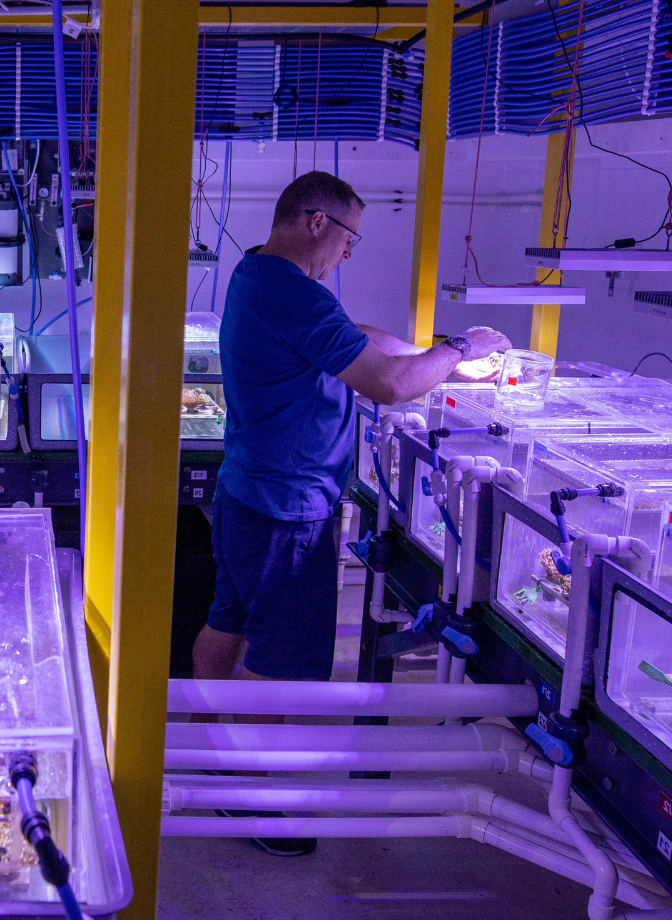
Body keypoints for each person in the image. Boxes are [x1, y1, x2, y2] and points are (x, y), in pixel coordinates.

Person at [193, 171, 513, 857]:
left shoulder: (260, 275)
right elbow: (391, 386)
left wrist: (433, 357)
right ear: (317, 222)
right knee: (283, 664)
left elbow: (357, 339)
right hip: (289, 512)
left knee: (228, 622)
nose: (348, 253)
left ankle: (208, 749)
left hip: (247, 493)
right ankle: (254, 799)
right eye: (349, 239)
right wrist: (459, 349)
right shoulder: (289, 289)